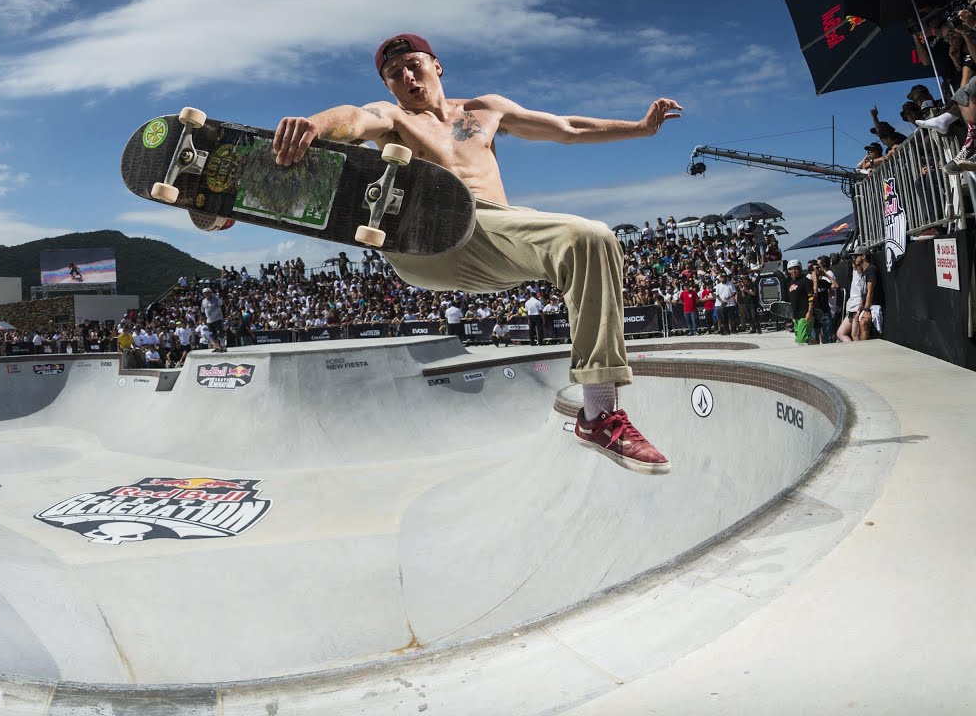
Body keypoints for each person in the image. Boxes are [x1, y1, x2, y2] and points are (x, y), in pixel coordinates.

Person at [273, 33, 680, 474]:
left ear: (436, 66)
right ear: (387, 86)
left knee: (591, 239)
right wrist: (315, 126)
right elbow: (355, 118)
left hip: (495, 240)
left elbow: (566, 129)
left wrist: (640, 129)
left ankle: (599, 415)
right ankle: (263, 190)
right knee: (381, 177)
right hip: (422, 245)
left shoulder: (486, 110)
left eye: (414, 65)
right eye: (394, 75)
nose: (407, 77)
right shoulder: (393, 117)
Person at [785, 259, 815, 345]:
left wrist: (809, 312)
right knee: (798, 339)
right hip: (796, 316)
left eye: (795, 268)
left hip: (805, 314)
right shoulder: (790, 282)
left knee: (803, 338)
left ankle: (818, 345)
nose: (793, 271)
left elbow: (811, 297)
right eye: (791, 269)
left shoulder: (805, 281)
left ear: (800, 269)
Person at [200, 287, 227, 352]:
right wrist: (202, 319)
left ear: (210, 292)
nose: (206, 294)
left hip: (217, 319)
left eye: (207, 293)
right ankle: (217, 347)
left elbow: (222, 306)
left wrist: (223, 315)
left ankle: (223, 346)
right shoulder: (203, 301)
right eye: (205, 293)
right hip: (209, 320)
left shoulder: (216, 299)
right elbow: (203, 311)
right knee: (212, 334)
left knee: (220, 333)